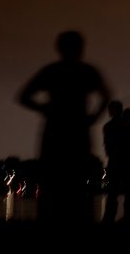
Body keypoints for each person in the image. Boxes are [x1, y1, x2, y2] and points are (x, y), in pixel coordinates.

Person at [18, 31, 111, 223]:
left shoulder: (52, 71)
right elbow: (106, 95)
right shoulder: (86, 71)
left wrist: (44, 109)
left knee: (52, 182)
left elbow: (24, 96)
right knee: (76, 182)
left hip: (55, 131)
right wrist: (93, 116)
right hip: (78, 131)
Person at [102, 102, 130, 225]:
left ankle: (109, 218)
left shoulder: (108, 127)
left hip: (115, 163)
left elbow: (108, 148)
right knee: (129, 194)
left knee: (112, 193)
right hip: (129, 164)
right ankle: (129, 218)